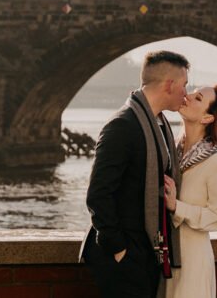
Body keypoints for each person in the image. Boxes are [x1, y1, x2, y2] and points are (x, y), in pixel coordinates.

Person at [81, 50, 190, 298]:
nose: (186, 92)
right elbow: (98, 195)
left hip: (148, 250)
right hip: (123, 254)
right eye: (184, 85)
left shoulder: (160, 125)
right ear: (169, 85)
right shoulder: (122, 126)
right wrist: (120, 250)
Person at [164, 85, 217, 298]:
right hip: (165, 260)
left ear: (207, 118)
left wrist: (177, 207)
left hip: (193, 262)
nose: (188, 96)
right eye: (192, 92)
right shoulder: (171, 151)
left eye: (198, 98)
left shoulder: (216, 161)